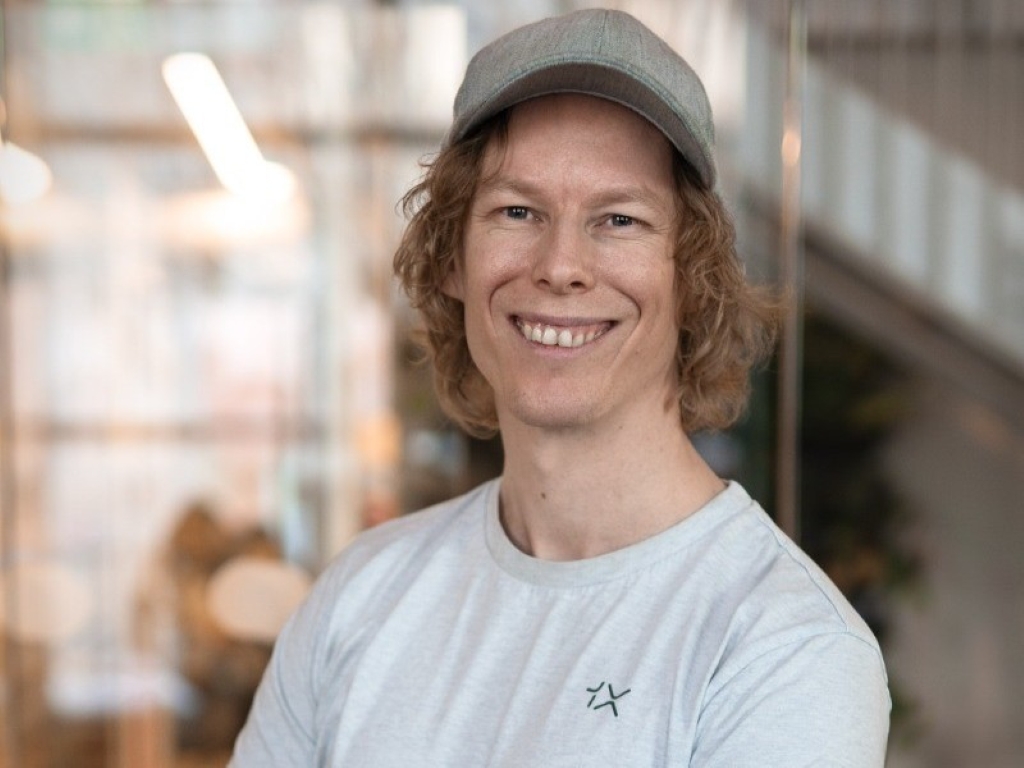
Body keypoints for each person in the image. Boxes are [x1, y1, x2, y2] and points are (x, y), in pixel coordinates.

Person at [230, 9, 890, 766]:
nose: (560, 265)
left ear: (691, 276)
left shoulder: (785, 649)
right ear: (453, 259)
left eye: (619, 219)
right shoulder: (358, 598)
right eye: (517, 211)